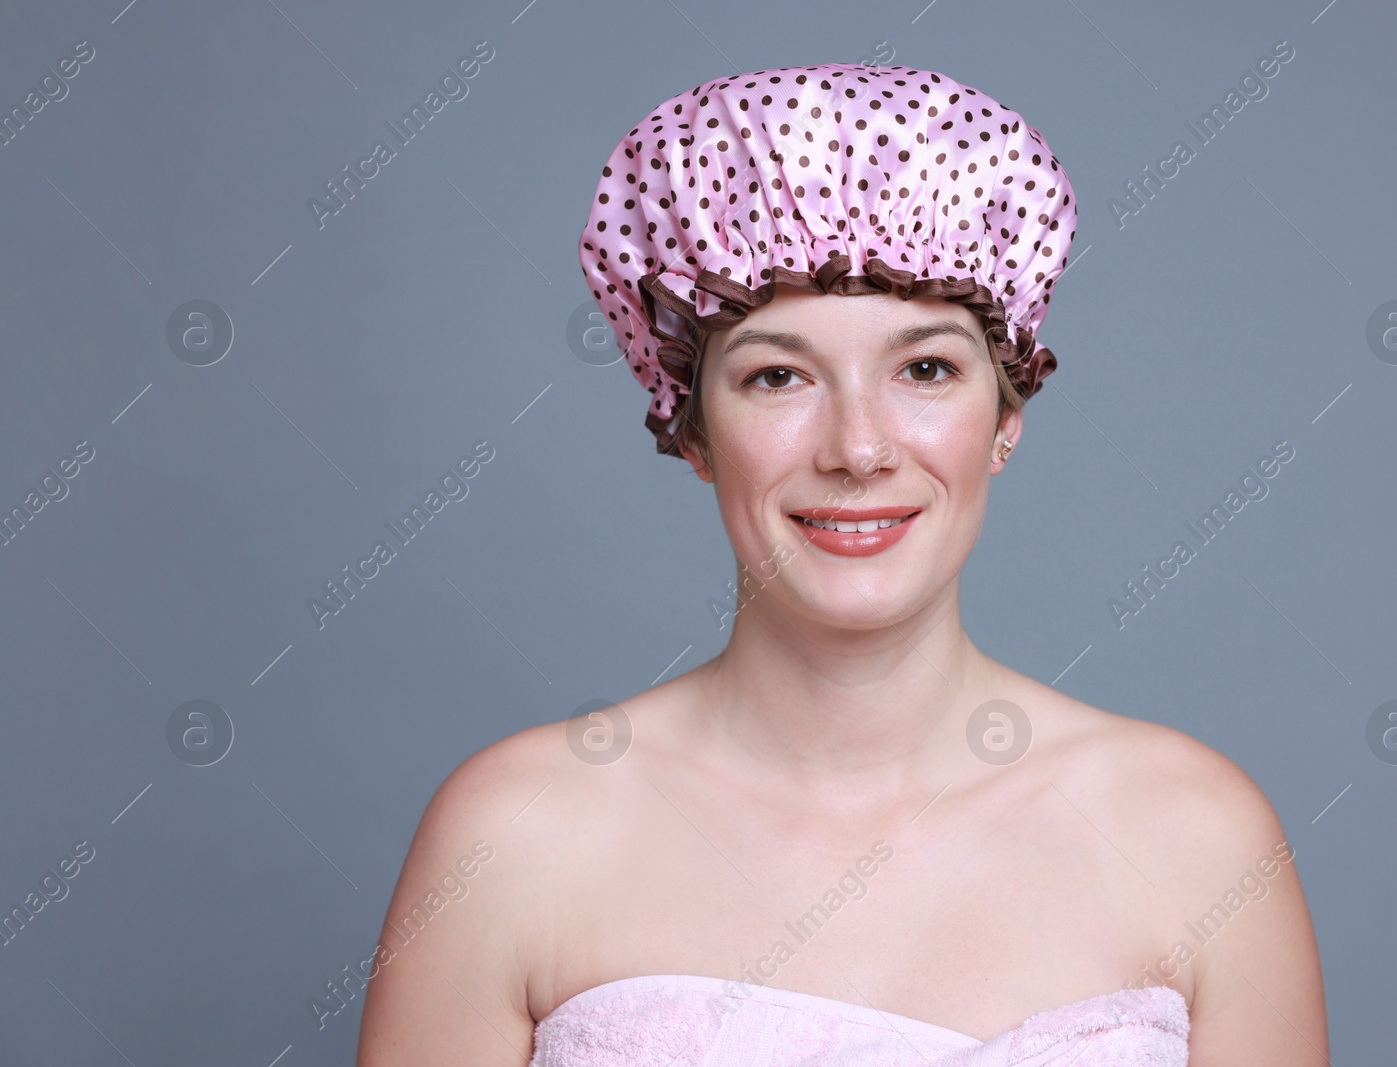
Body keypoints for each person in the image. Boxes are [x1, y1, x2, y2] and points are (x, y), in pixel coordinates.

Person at [356, 63, 1327, 1066]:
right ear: (692, 433)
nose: (858, 448)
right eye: (777, 375)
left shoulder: (1196, 837)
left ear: (1005, 418)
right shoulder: (516, 833)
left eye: (925, 369)